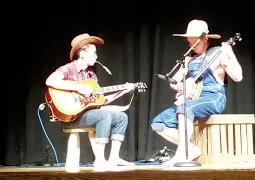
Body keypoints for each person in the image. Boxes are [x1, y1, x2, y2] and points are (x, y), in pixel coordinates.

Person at [151, 19, 243, 166]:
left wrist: (229, 53)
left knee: (185, 108)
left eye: (195, 43)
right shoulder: (189, 59)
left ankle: (182, 154)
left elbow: (238, 77)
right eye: (189, 43)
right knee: (158, 123)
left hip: (214, 98)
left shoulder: (217, 54)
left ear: (205, 39)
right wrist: (178, 86)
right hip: (194, 98)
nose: (191, 47)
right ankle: (190, 149)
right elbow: (174, 81)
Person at [45, 33, 135, 171]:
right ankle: (99, 159)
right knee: (104, 115)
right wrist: (78, 87)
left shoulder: (91, 76)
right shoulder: (69, 69)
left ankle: (113, 158)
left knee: (122, 117)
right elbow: (50, 81)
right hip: (72, 116)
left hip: (89, 114)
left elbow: (101, 101)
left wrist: (122, 91)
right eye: (94, 53)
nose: (97, 57)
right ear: (83, 53)